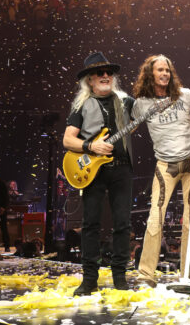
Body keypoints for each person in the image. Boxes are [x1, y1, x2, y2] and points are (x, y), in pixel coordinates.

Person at [132, 54, 190, 288]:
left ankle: (187, 273)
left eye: (167, 69)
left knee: (189, 220)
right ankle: (146, 274)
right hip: (165, 165)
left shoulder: (185, 95)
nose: (165, 73)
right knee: (155, 217)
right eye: (160, 70)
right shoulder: (141, 103)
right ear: (150, 74)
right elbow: (129, 127)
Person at [63, 52, 135, 295]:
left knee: (123, 224)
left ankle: (120, 278)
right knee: (90, 224)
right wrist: (90, 146)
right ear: (90, 80)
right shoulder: (81, 106)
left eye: (109, 73)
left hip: (121, 168)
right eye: (99, 73)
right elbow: (67, 140)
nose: (106, 76)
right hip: (93, 172)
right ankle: (89, 280)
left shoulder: (126, 102)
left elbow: (151, 109)